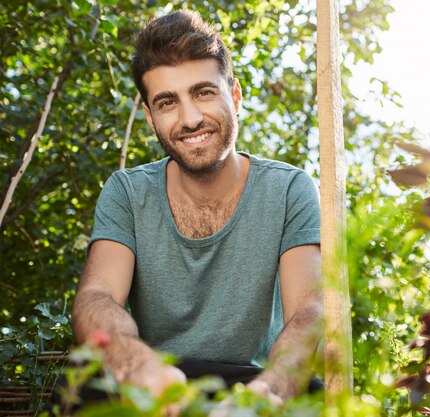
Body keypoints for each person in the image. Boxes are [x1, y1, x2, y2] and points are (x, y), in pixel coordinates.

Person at [71, 9, 322, 404]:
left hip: (252, 381)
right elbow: (97, 297)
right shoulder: (127, 192)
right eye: (167, 102)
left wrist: (268, 391)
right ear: (151, 118)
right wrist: (139, 367)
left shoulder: (290, 188)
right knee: (84, 385)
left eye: (204, 92)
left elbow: (308, 313)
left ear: (234, 97)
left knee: (311, 394)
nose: (190, 119)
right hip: (152, 380)